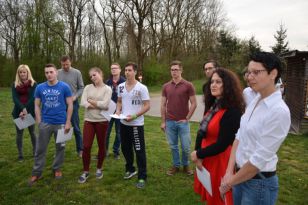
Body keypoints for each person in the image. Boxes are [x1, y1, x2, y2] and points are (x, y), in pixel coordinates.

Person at [220, 52, 291, 205]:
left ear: (273, 73)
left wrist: (229, 182)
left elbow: (257, 161)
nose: (249, 77)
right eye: (248, 72)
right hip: (239, 177)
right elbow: (239, 136)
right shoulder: (255, 100)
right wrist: (229, 172)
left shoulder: (278, 111)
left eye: (256, 72)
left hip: (258, 184)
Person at [191, 68, 245, 205]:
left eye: (218, 82)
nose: (213, 85)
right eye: (212, 82)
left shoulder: (232, 111)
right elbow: (201, 132)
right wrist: (199, 154)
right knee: (209, 195)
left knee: (219, 198)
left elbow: (223, 144)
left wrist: (198, 153)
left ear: (227, 85)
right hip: (207, 157)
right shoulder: (215, 105)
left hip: (219, 160)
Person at [29, 64, 73, 186]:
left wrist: (68, 121)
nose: (49, 74)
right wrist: (39, 121)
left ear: (56, 73)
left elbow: (70, 105)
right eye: (47, 72)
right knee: (40, 149)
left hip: (61, 123)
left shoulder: (64, 87)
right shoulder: (40, 87)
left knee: (60, 148)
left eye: (51, 72)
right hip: (46, 123)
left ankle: (57, 169)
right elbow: (37, 105)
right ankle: (37, 172)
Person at [115, 62, 150, 189]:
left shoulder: (142, 88)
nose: (127, 72)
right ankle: (130, 169)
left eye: (129, 70)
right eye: (125, 70)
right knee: (125, 148)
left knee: (139, 150)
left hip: (136, 124)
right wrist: (118, 111)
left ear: (135, 72)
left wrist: (135, 116)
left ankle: (142, 176)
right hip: (124, 123)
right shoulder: (120, 87)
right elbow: (119, 101)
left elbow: (147, 106)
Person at [161, 60, 197, 176]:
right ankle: (176, 165)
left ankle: (186, 165)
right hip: (170, 121)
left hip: (183, 122)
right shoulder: (166, 86)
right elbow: (162, 105)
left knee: (186, 146)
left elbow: (194, 103)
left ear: (181, 70)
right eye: (172, 70)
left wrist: (187, 118)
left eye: (176, 69)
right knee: (173, 146)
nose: (174, 72)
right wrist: (163, 122)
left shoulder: (188, 85)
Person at [78, 67, 112, 183]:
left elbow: (106, 104)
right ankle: (86, 171)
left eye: (94, 75)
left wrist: (91, 101)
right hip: (89, 120)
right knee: (86, 146)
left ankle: (99, 168)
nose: (92, 77)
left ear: (100, 74)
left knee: (101, 145)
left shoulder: (107, 89)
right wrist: (99, 105)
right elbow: (83, 102)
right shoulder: (88, 87)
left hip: (102, 121)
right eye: (91, 76)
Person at [58, 55, 84, 157]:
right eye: (63, 65)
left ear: (71, 62)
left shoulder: (77, 73)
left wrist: (75, 97)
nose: (65, 66)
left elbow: (81, 87)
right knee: (61, 127)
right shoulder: (57, 73)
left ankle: (80, 149)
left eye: (67, 64)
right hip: (60, 104)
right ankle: (60, 150)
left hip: (73, 104)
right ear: (61, 63)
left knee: (76, 127)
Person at [12, 64, 37, 162]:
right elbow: (15, 99)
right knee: (19, 134)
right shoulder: (14, 84)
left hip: (30, 112)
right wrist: (22, 109)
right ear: (18, 73)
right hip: (19, 113)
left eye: (24, 72)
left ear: (28, 73)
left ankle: (35, 152)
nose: (22, 74)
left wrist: (26, 109)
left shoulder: (34, 84)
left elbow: (33, 98)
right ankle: (20, 155)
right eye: (20, 72)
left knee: (33, 133)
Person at [105, 63, 126, 159]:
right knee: (106, 132)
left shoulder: (124, 82)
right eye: (111, 68)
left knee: (119, 132)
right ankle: (104, 151)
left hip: (120, 111)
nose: (113, 70)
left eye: (115, 68)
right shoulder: (107, 82)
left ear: (120, 69)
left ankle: (116, 151)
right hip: (108, 111)